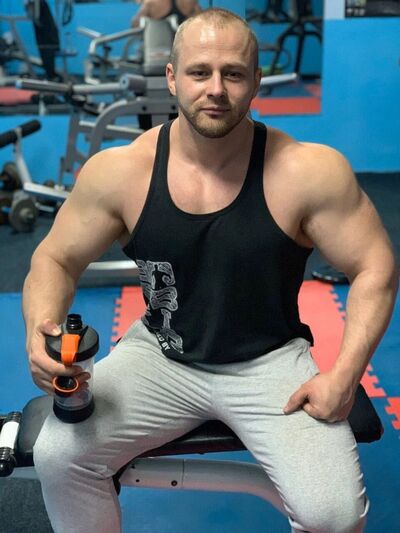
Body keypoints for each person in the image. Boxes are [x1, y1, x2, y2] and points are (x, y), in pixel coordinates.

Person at [23, 8, 398, 533]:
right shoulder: (121, 172)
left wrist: (346, 375)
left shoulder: (308, 172)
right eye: (200, 72)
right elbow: (55, 258)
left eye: (233, 73)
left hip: (270, 362)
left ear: (256, 82)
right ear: (172, 78)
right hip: (161, 356)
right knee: (59, 456)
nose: (216, 89)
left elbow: (375, 266)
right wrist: (38, 330)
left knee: (333, 517)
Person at [130, 0, 201, 27]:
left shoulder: (150, 3)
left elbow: (135, 24)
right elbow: (201, 20)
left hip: (159, 46)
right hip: (182, 44)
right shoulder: (189, 2)